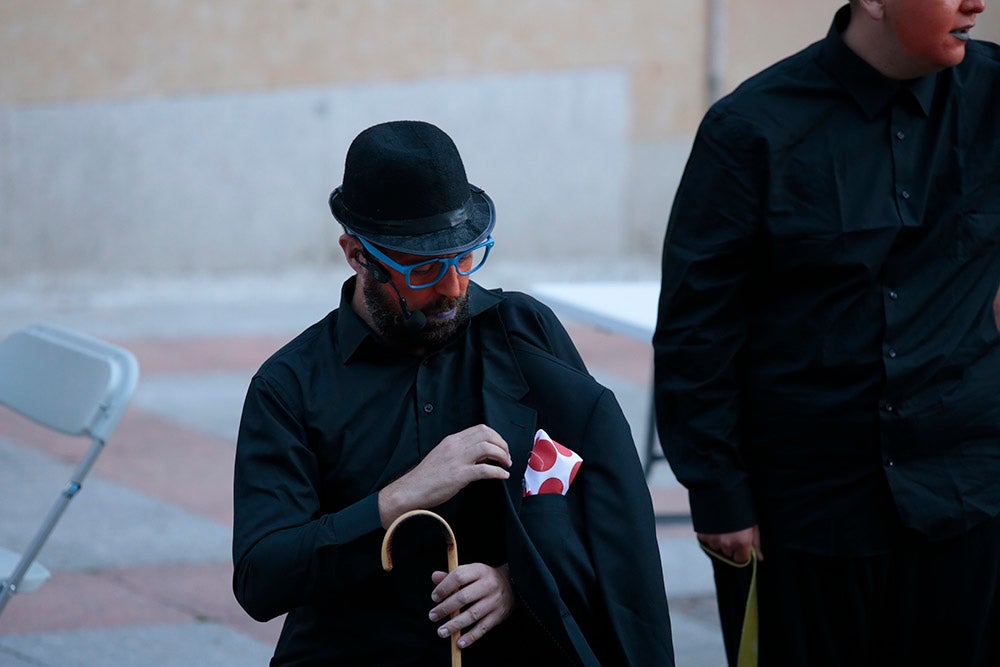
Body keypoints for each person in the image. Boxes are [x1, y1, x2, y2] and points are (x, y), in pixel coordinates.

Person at [233, 119, 674, 666]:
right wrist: (402, 496)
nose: (453, 287)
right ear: (355, 255)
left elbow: (600, 502)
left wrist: (518, 580)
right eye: (422, 270)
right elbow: (261, 579)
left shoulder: (523, 335)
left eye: (466, 257)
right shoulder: (290, 386)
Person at [653, 1, 999, 665]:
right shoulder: (750, 128)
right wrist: (716, 488)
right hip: (806, 517)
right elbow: (698, 328)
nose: (975, 2)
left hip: (969, 504)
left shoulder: (994, 96)